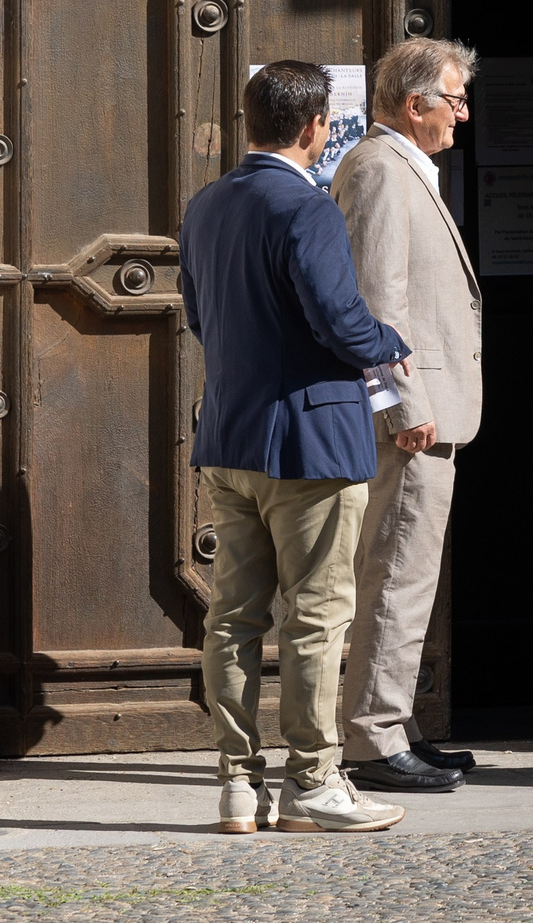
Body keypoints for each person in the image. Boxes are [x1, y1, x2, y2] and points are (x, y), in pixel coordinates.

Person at [183, 61, 412, 835]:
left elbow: (199, 316)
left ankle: (238, 784)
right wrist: (390, 341)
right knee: (316, 615)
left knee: (234, 616)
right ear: (317, 126)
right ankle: (313, 780)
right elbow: (341, 321)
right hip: (310, 441)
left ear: (251, 120)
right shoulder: (306, 208)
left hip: (231, 434)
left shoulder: (208, 204)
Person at [331, 37, 484, 794]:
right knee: (395, 569)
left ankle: (394, 723)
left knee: (406, 571)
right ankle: (369, 737)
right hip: (416, 416)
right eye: (454, 98)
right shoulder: (382, 170)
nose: (463, 112)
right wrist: (402, 403)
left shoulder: (402, 166)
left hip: (434, 410)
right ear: (413, 102)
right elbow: (376, 298)